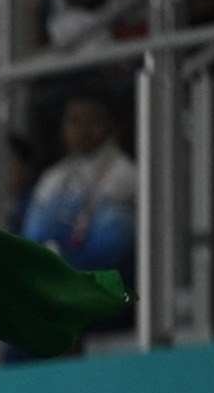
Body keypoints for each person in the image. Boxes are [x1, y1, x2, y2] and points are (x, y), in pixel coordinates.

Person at [20, 95, 136, 278]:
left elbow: (110, 248)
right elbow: (32, 238)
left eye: (84, 121)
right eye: (71, 121)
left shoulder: (127, 175)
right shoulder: (53, 177)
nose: (75, 129)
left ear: (105, 125)